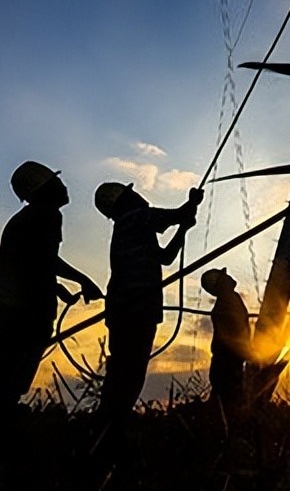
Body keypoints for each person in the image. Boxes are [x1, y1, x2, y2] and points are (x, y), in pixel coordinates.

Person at [0, 161, 103, 417]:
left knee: (4, 379)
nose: (64, 186)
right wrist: (84, 280)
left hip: (14, 311)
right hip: (28, 315)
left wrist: (57, 289)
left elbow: (32, 263)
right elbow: (46, 258)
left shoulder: (26, 219)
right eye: (56, 182)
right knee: (11, 382)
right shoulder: (46, 214)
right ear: (44, 188)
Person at [93, 182, 203, 428]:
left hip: (128, 310)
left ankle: (106, 425)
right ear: (125, 199)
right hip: (135, 309)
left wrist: (183, 230)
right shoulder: (136, 218)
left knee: (124, 372)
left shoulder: (131, 227)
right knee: (129, 374)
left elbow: (165, 257)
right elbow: (175, 215)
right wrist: (191, 205)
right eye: (130, 192)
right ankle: (109, 427)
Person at [200, 268, 251, 432]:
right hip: (227, 361)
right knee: (230, 404)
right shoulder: (229, 300)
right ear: (220, 282)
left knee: (225, 403)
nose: (229, 276)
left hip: (225, 361)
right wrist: (247, 351)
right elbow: (235, 332)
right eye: (224, 276)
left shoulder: (228, 300)